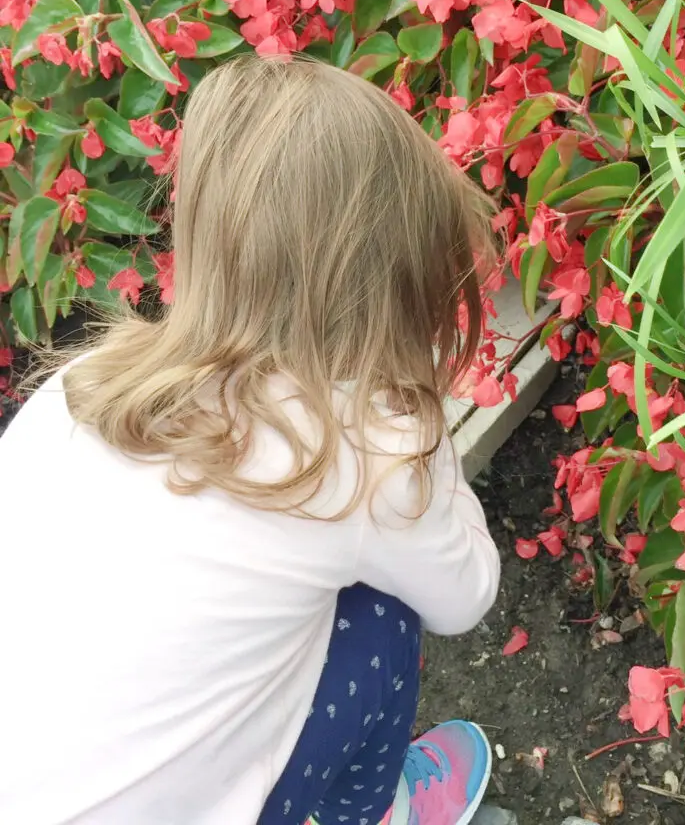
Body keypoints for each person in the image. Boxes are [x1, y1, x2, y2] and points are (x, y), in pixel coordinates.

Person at [0, 56, 502, 825]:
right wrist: (417, 438)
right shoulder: (365, 456)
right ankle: (374, 814)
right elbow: (464, 597)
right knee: (380, 616)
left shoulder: (86, 384)